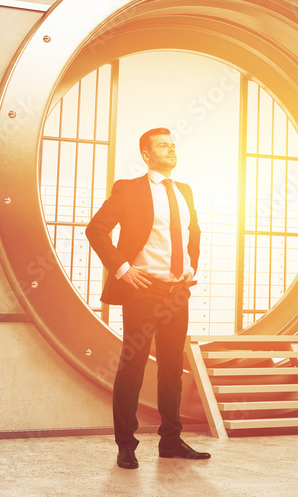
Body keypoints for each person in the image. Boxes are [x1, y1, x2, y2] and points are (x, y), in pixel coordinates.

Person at [85, 127, 211, 469]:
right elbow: (96, 230)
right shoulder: (129, 189)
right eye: (162, 146)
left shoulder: (184, 190)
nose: (170, 150)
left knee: (173, 369)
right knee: (133, 368)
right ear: (146, 155)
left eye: (172, 145)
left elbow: (192, 233)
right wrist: (124, 270)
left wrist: (190, 266)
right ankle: (126, 445)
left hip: (176, 293)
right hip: (143, 291)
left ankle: (171, 440)